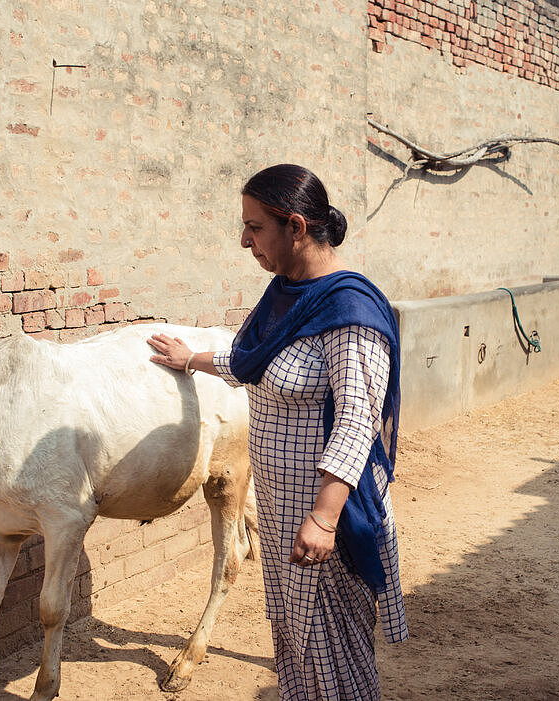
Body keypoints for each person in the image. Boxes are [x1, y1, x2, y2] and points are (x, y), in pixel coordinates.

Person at [148, 164, 408, 700]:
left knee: (333, 654)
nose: (244, 240)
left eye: (254, 227)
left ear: (295, 226)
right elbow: (253, 362)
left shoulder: (348, 312)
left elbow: (359, 421)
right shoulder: (285, 294)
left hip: (326, 519)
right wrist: (191, 358)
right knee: (295, 646)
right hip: (282, 510)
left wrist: (323, 518)